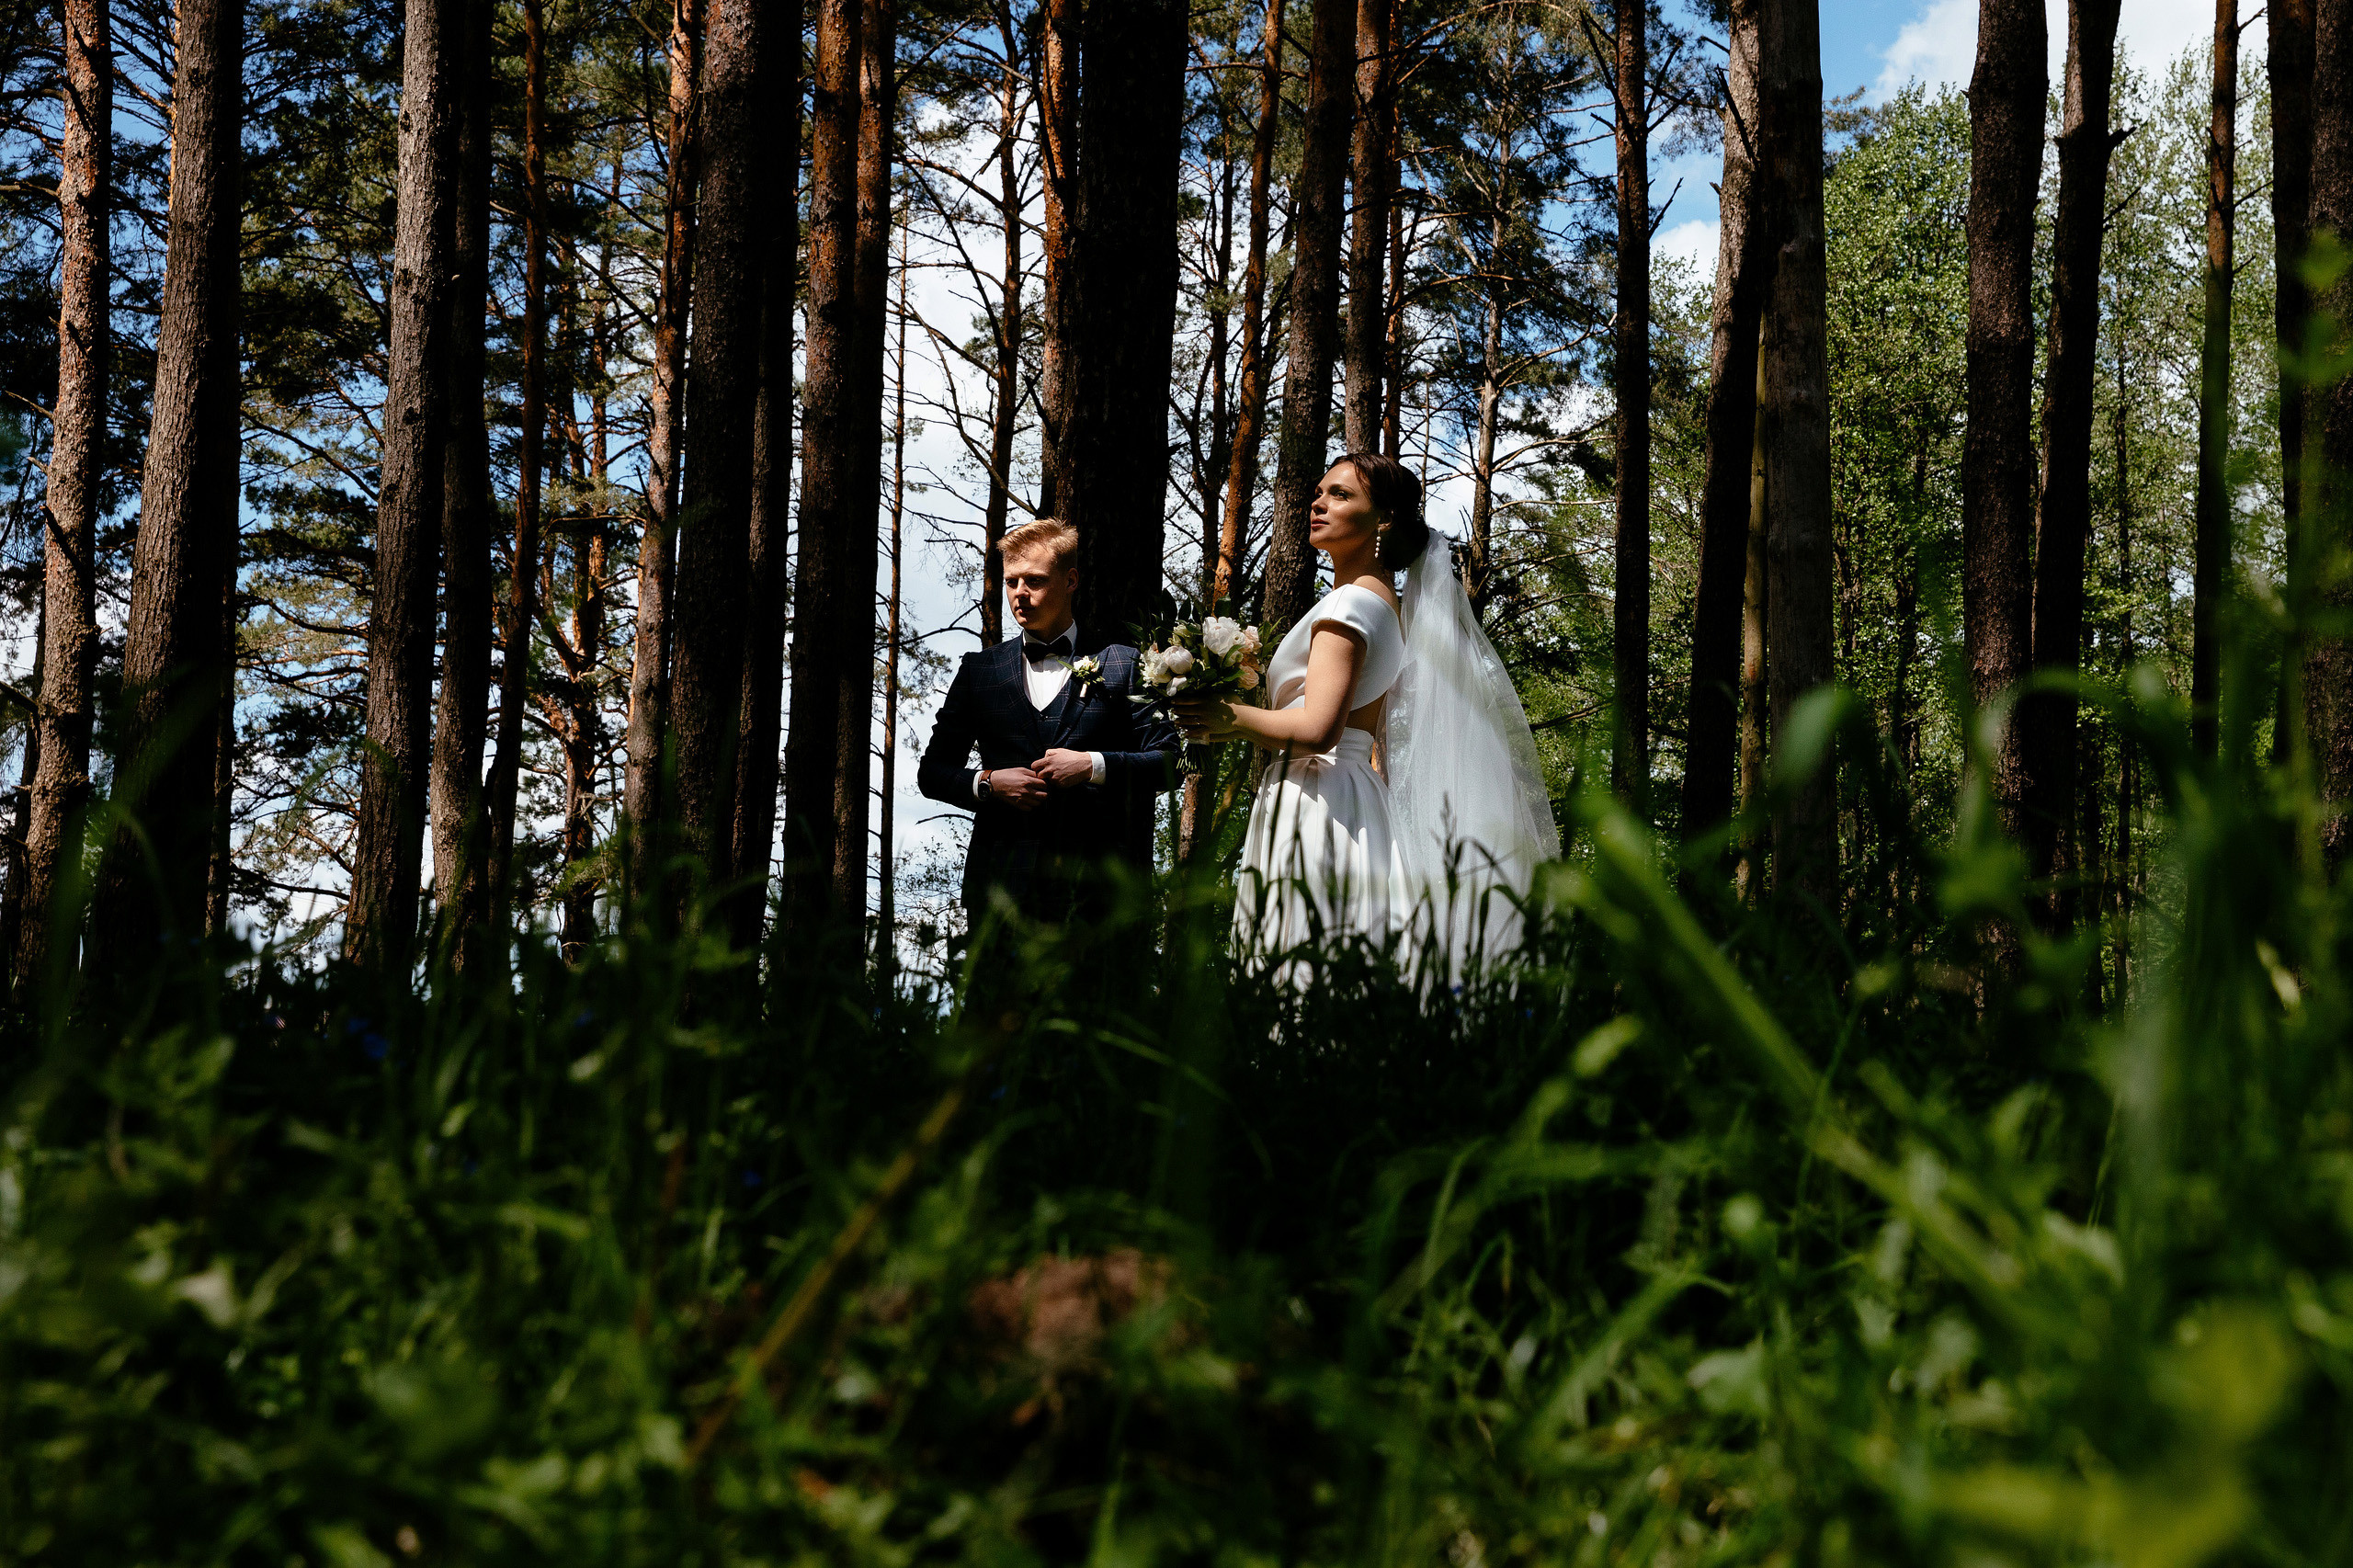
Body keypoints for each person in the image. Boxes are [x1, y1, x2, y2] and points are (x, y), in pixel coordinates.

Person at [1176, 453, 1556, 972]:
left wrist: (1228, 717)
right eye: (1318, 491)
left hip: (1319, 796)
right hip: (1352, 794)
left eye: (1340, 494)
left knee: (1304, 964)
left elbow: (1316, 729)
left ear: (1383, 520)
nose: (1318, 502)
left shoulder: (1349, 605)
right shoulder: (1383, 602)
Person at [917, 518, 1180, 926]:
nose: (1019, 594)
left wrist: (1092, 765)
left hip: (1099, 896)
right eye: (1011, 582)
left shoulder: (1125, 663)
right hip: (1000, 892)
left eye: (1034, 581)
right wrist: (988, 782)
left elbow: (1169, 762)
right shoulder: (979, 671)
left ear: (1070, 580)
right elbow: (932, 773)